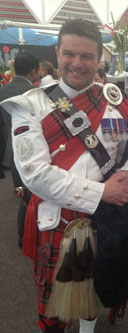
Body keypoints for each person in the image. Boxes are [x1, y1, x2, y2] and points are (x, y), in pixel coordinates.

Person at [1, 19, 128, 333]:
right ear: (58, 52)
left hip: (108, 218)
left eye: (87, 56)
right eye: (70, 54)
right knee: (53, 303)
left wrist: (127, 176)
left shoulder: (116, 101)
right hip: (58, 220)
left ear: (99, 59)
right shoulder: (30, 106)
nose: (77, 63)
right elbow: (35, 174)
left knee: (95, 289)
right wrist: (103, 192)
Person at [0, 51, 40, 246]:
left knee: (22, 195)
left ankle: (23, 237)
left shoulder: (3, 90)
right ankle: (32, 235)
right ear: (34, 72)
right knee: (34, 195)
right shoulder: (34, 95)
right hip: (35, 153)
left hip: (12, 152)